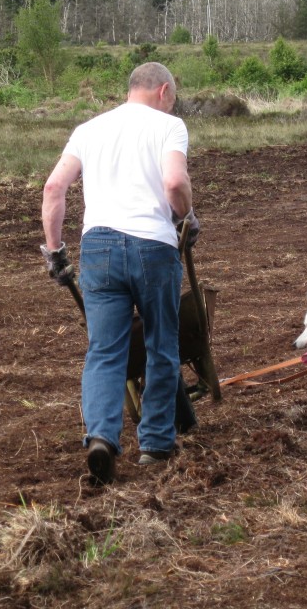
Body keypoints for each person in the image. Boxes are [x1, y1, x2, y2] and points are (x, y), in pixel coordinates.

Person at [40, 62, 199, 485]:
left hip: (99, 248)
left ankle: (101, 439)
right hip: (153, 246)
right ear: (163, 91)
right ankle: (155, 445)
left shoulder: (89, 129)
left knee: (104, 352)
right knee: (161, 345)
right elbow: (173, 184)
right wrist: (188, 215)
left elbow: (54, 188)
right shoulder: (169, 126)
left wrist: (55, 252)